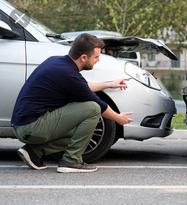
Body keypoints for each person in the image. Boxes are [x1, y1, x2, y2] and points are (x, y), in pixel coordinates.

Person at [11, 33, 133, 173]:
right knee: (92, 109)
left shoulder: (57, 62)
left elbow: (83, 86)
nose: (98, 60)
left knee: (82, 131)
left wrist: (110, 84)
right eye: (96, 57)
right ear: (83, 58)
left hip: (25, 125)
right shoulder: (68, 74)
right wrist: (119, 118)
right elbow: (99, 105)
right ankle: (71, 161)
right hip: (32, 127)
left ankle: (34, 152)